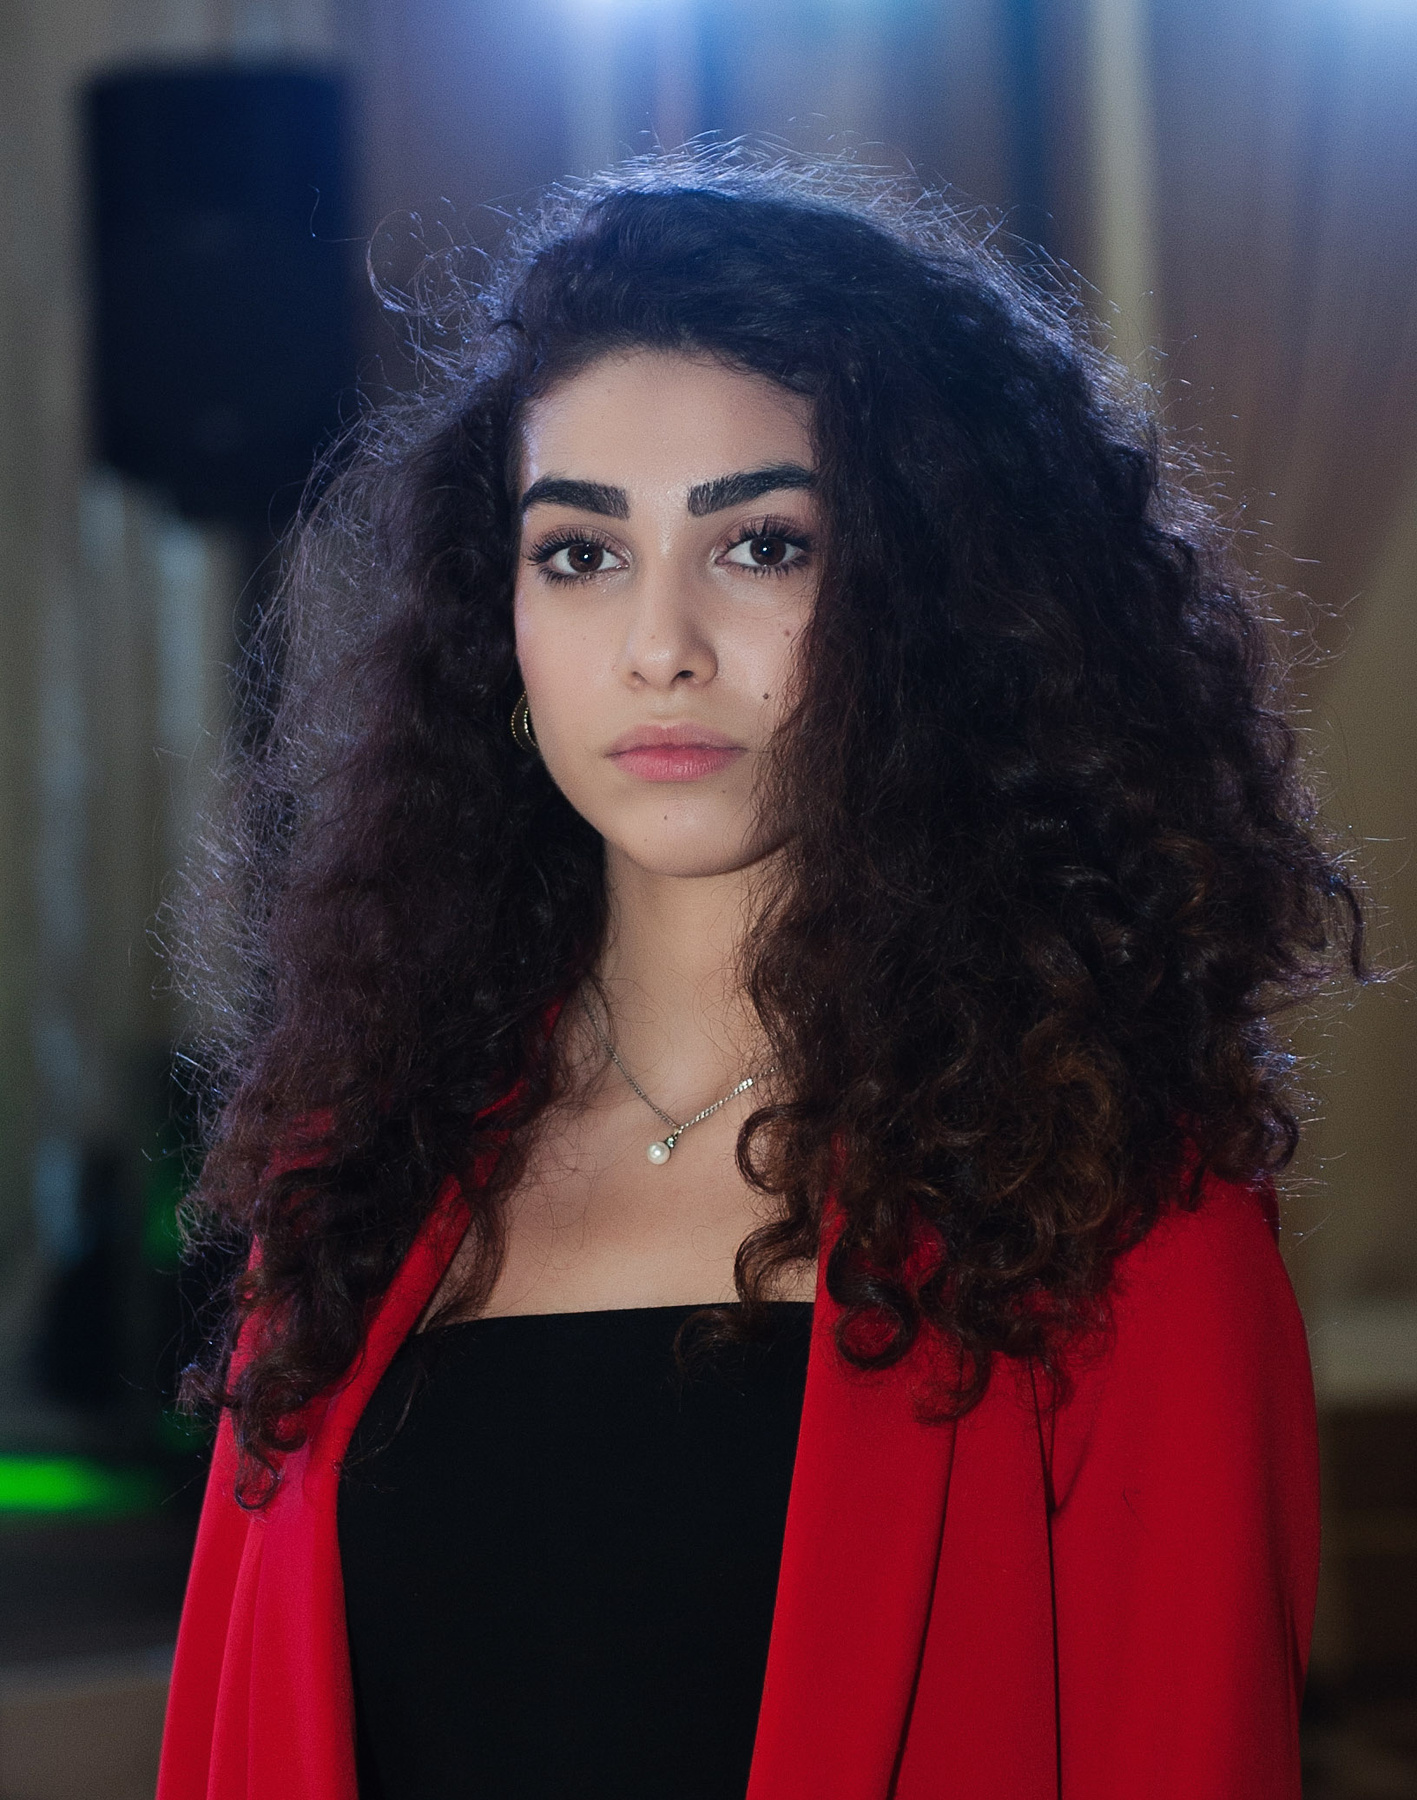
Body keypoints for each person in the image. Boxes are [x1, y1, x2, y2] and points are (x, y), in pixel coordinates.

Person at [156, 150, 1362, 1800]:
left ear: (931, 609)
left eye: (762, 545)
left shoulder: (1115, 1202)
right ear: (497, 627)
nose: (659, 644)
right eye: (579, 553)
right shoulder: (352, 1173)